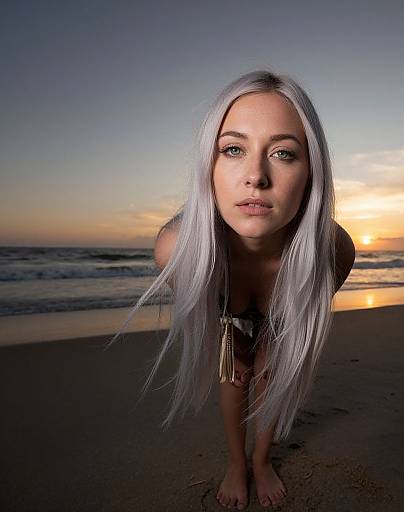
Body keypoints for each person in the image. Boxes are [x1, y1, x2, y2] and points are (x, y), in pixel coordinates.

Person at [107, 69, 355, 510]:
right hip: (228, 310)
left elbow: (304, 316)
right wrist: (237, 342)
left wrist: (271, 346)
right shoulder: (176, 250)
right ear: (210, 165)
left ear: (310, 173)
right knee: (235, 373)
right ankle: (235, 463)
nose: (255, 176)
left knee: (271, 370)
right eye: (234, 149)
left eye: (282, 153)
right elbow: (212, 317)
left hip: (283, 310)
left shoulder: (332, 250)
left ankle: (261, 462)